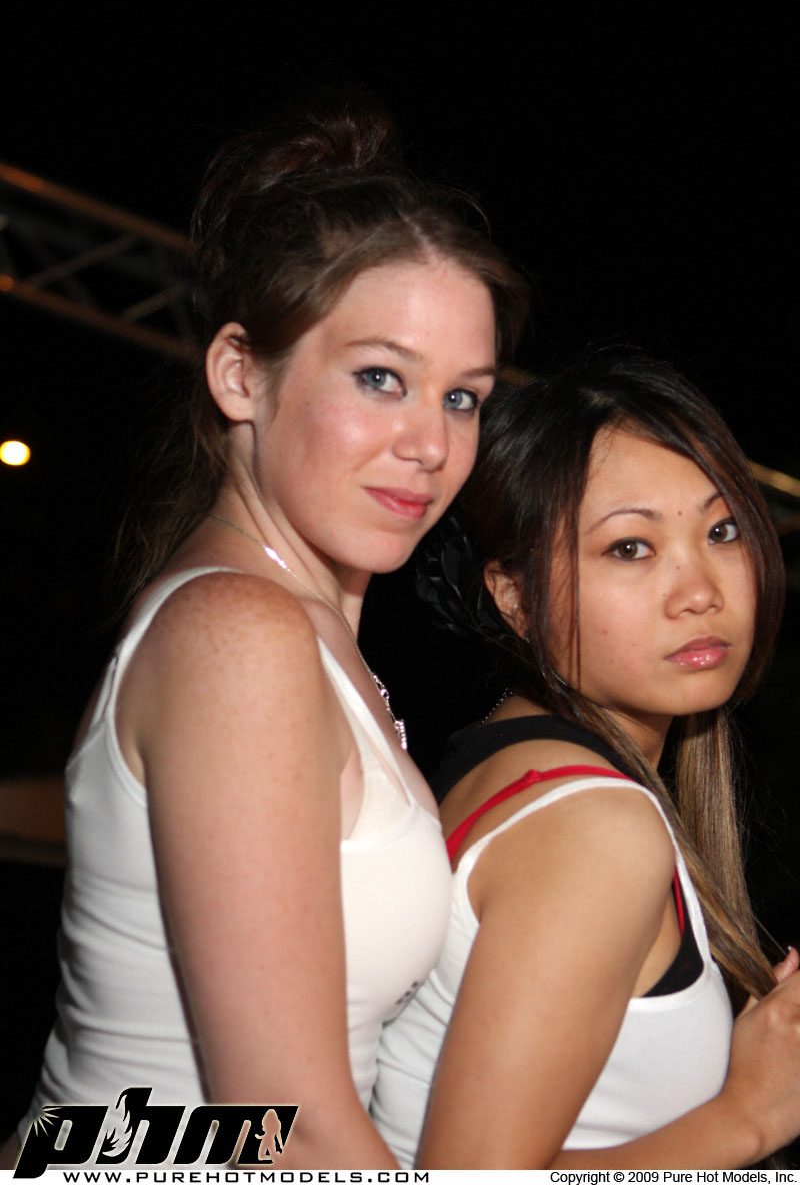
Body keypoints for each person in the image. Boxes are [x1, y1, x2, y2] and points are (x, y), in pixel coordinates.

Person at [0, 95, 528, 1170]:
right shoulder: (238, 633)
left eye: (462, 398)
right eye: (380, 378)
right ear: (240, 373)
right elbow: (282, 1127)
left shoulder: (296, 633)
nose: (430, 444)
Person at [372, 349, 800, 1168]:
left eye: (722, 531)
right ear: (516, 597)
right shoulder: (594, 829)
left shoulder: (507, 763)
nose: (701, 591)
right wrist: (751, 1114)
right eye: (630, 548)